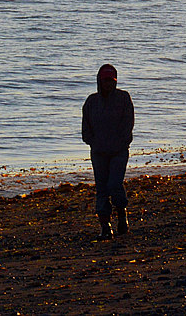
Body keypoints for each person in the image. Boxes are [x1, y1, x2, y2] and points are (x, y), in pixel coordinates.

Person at [81, 63, 134, 240]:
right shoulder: (91, 102)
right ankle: (105, 226)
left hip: (119, 151)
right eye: (105, 81)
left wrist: (122, 141)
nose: (109, 84)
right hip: (99, 152)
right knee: (102, 188)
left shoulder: (123, 98)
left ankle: (122, 214)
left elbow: (129, 123)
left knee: (114, 184)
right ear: (100, 81)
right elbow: (85, 127)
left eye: (112, 81)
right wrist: (93, 142)